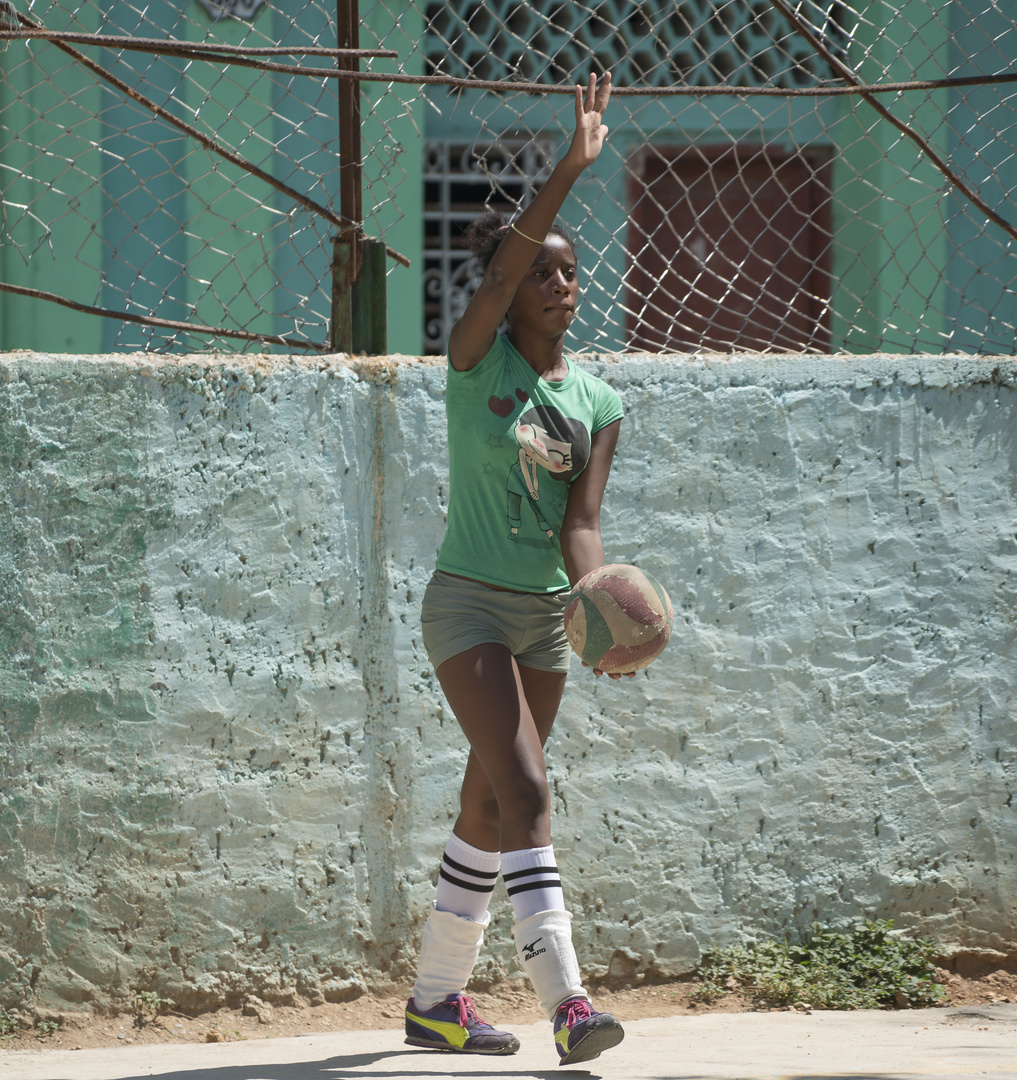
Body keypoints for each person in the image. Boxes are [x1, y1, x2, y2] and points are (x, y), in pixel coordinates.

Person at [402, 73, 629, 1067]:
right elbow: (493, 285)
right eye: (538, 271)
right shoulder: (474, 364)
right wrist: (567, 171)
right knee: (528, 790)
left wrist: (605, 608)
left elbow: (581, 524)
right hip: (466, 607)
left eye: (568, 272)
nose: (555, 283)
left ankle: (433, 1003)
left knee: (489, 803)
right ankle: (568, 1004)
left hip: (543, 616)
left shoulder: (596, 401)